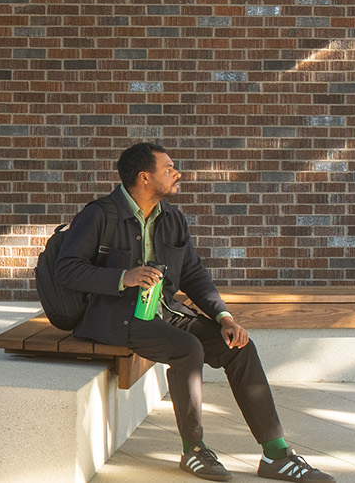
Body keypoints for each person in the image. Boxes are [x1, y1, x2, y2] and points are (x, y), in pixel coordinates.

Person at [56, 142, 334, 481]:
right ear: (144, 177)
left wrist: (224, 317)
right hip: (115, 316)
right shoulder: (100, 214)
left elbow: (193, 273)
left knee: (238, 347)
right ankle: (194, 450)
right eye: (169, 168)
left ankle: (276, 455)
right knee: (187, 348)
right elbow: (67, 270)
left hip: (165, 311)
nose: (178, 174)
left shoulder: (171, 217)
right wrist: (122, 277)